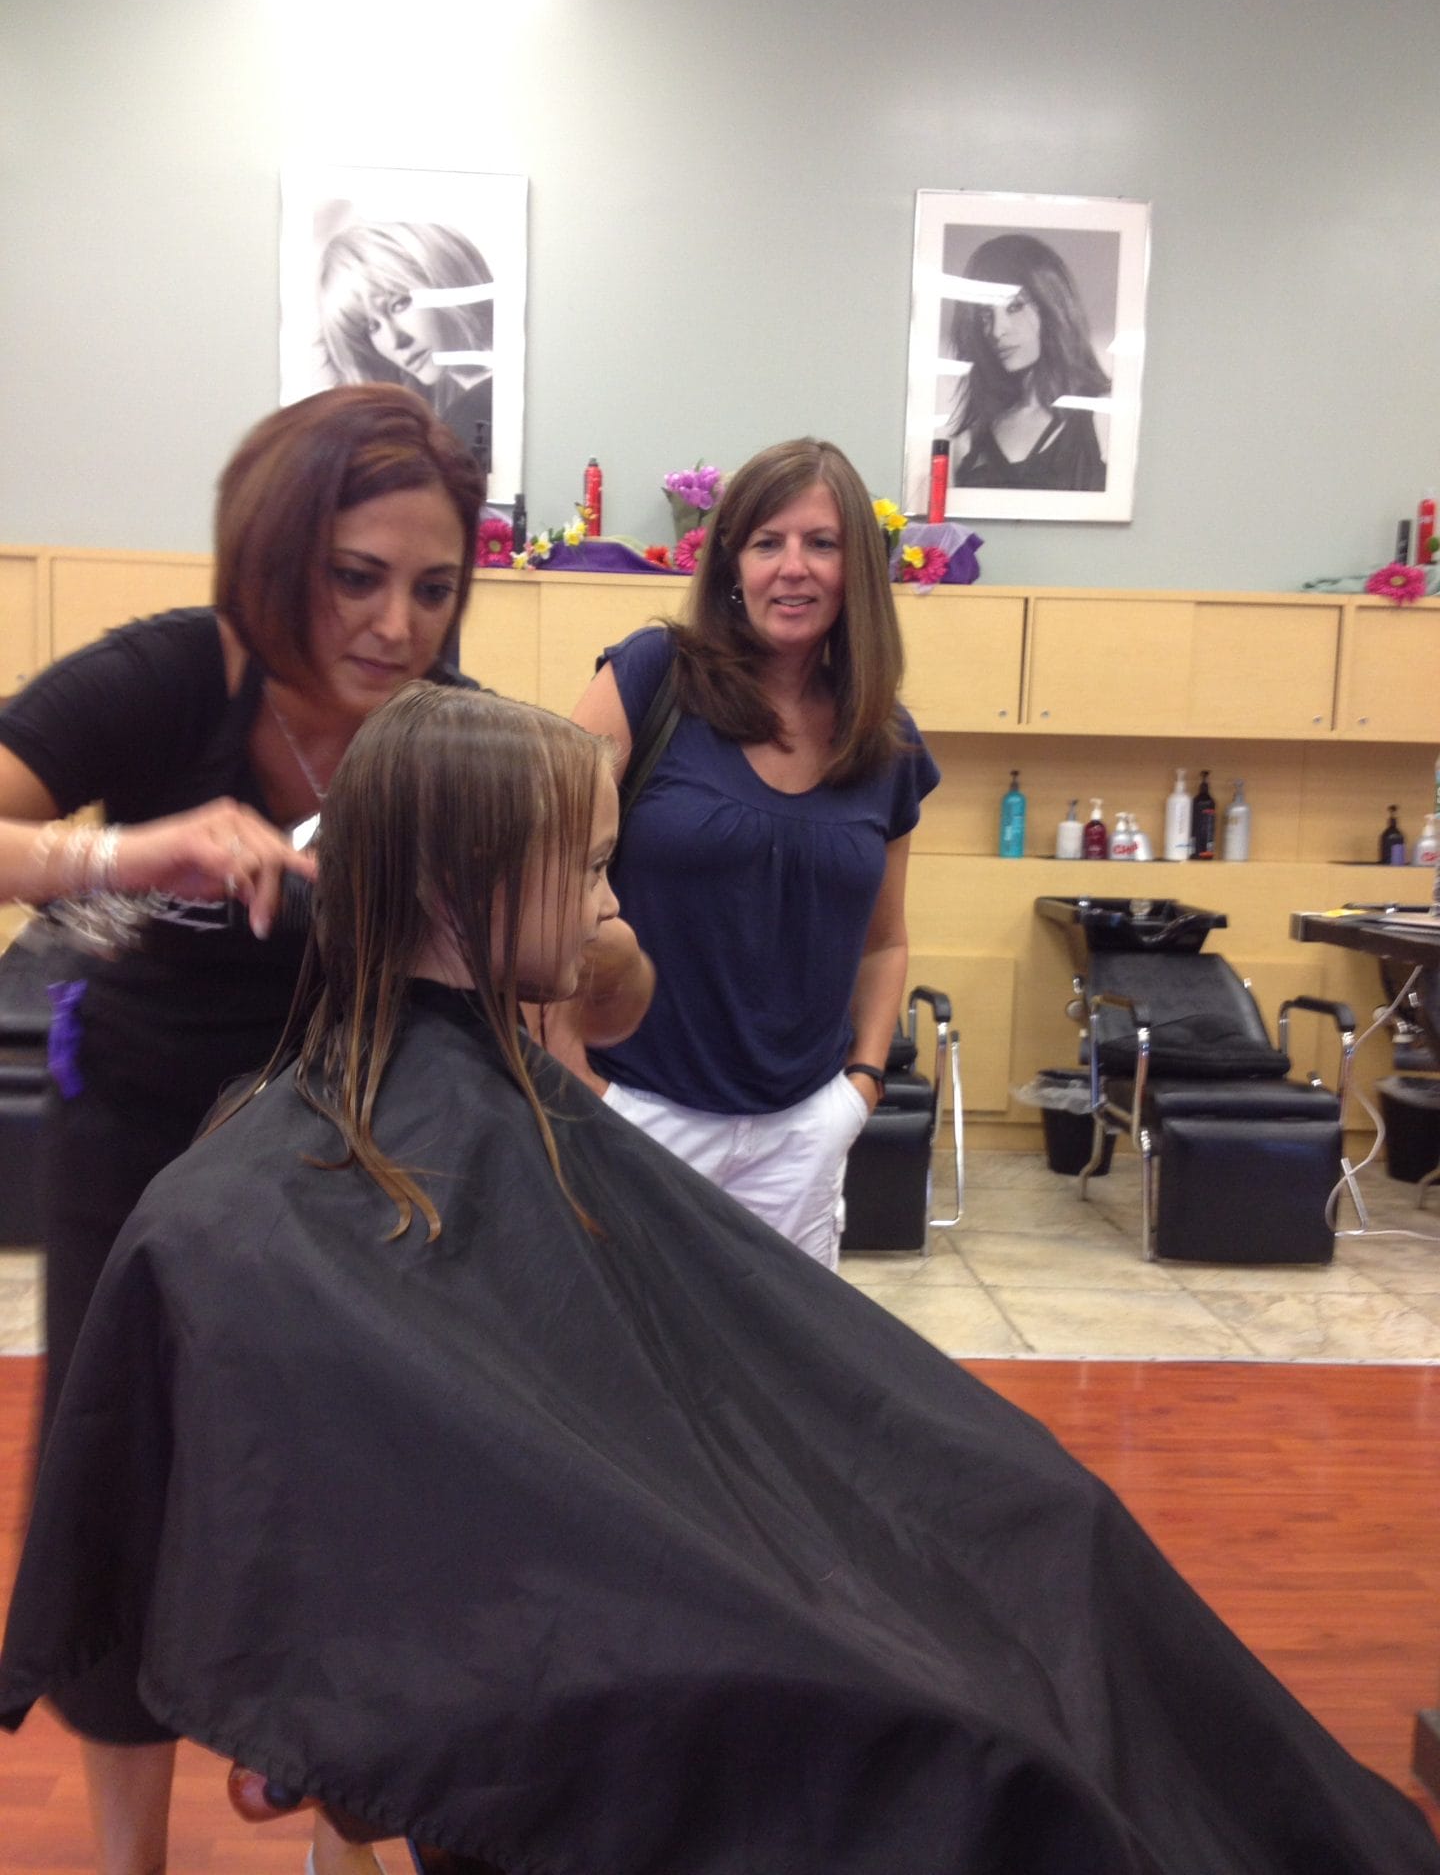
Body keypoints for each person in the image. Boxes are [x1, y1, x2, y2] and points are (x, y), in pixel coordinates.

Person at [2, 681, 1438, 1875]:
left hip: (674, 1557)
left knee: (1052, 1520)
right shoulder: (268, 1210)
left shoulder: (473, 1095)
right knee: (980, 1735)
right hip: (614, 1634)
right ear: (457, 886)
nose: (613, 899)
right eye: (587, 868)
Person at [0, 385, 647, 1875]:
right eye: (356, 578)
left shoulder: (441, 731)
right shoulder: (168, 678)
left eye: (434, 588)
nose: (395, 627)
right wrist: (123, 851)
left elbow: (582, 981)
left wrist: (595, 950)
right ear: (276, 552)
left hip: (348, 1149)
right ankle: (131, 1858)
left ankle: (337, 1814)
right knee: (128, 1483)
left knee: (354, 1496)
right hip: (144, 1146)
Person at [566, 436, 940, 1271]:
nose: (792, 568)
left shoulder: (886, 739)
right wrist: (576, 1080)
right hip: (638, 1112)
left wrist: (861, 1087)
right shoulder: (651, 677)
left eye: (821, 543)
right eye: (768, 542)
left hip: (802, 1136)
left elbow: (884, 941)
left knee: (779, 1354)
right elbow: (535, 874)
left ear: (856, 569)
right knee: (626, 1347)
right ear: (733, 563)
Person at [943, 232, 1111, 492]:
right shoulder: (969, 440)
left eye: (1014, 307)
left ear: (1052, 307)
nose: (997, 330)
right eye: (986, 315)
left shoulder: (1103, 417)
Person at [317, 220, 495, 455]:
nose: (394, 341)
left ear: (445, 278)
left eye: (399, 304)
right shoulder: (448, 420)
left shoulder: (475, 414)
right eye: (372, 327)